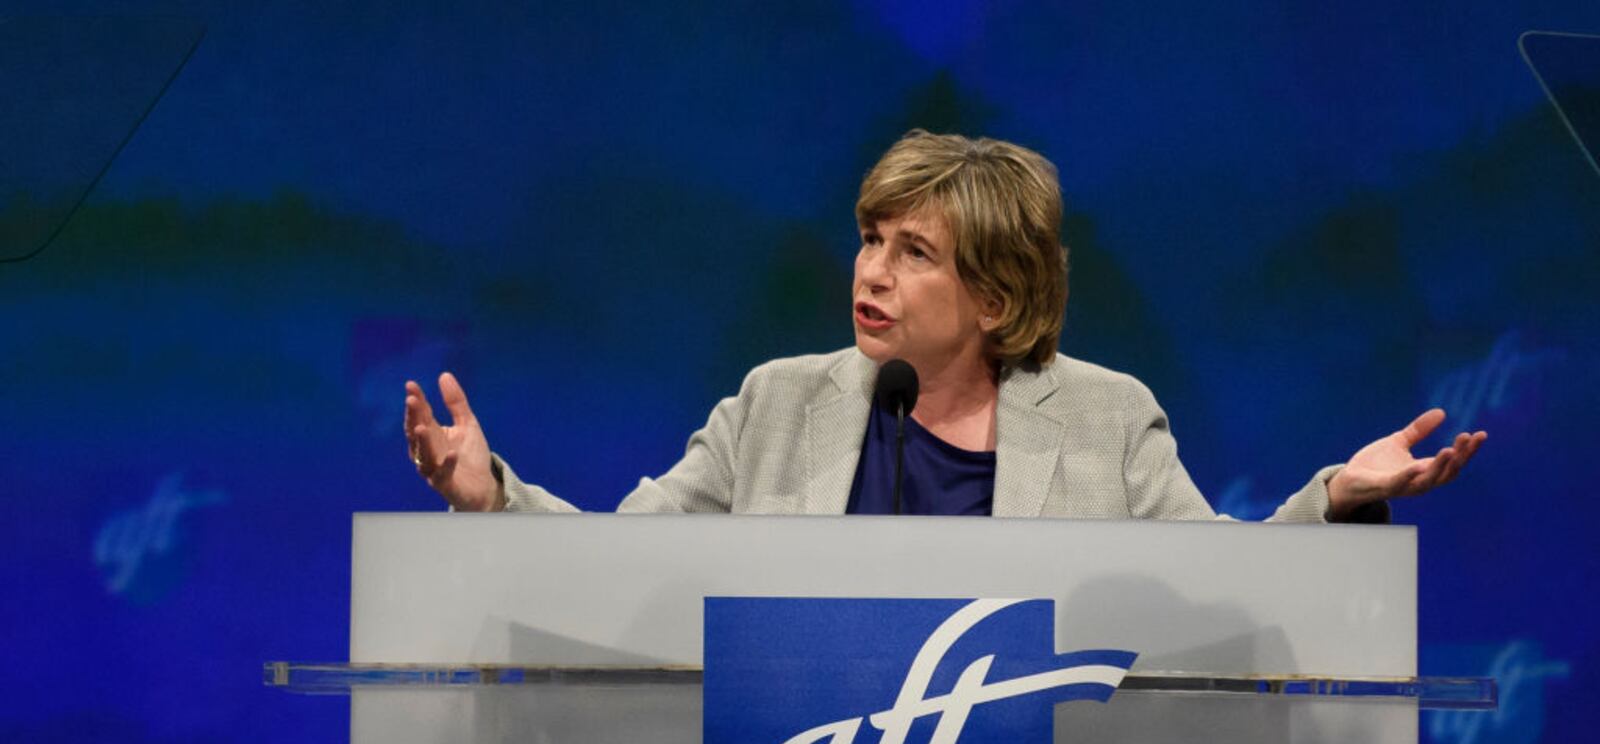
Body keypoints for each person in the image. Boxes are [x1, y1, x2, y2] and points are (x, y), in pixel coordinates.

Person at [403, 130, 1484, 520]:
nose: (868, 273)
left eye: (912, 253)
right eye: (869, 239)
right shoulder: (777, 404)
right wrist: (491, 493)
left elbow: (1216, 600)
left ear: (997, 299)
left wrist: (1333, 500)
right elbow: (617, 567)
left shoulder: (1109, 420)